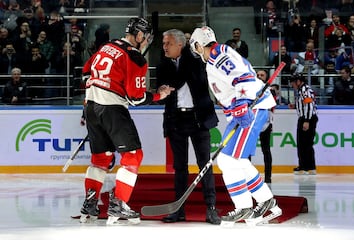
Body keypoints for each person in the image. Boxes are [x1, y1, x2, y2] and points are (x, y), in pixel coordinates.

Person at [79, 17, 174, 225]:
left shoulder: (107, 46)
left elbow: (87, 72)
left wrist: (88, 104)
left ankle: (90, 204)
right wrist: (159, 95)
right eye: (146, 37)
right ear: (139, 35)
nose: (147, 42)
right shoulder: (135, 57)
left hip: (92, 106)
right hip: (112, 108)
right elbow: (136, 98)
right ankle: (118, 204)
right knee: (133, 156)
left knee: (100, 158)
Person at [190, 26, 282, 226]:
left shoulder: (217, 56)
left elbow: (243, 76)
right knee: (234, 160)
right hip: (245, 107)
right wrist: (236, 108)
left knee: (228, 159)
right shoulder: (218, 54)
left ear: (198, 45)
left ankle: (244, 207)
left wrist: (241, 104)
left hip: (250, 106)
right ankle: (267, 201)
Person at [156, 29, 220, 225]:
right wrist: (160, 91)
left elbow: (184, 80)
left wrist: (169, 85)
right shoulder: (162, 65)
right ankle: (178, 209)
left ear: (180, 45)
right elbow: (161, 95)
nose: (164, 47)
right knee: (179, 167)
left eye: (168, 43)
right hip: (176, 120)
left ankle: (211, 208)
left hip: (198, 119)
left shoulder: (196, 60)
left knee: (205, 165)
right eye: (164, 43)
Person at [288, 73, 318, 175]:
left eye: (293, 82)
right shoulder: (302, 90)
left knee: (304, 144)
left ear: (298, 81)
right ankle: (309, 167)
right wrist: (295, 106)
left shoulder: (305, 90)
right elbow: (305, 105)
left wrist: (307, 121)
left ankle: (305, 167)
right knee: (304, 143)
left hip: (307, 118)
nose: (292, 85)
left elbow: (309, 105)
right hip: (306, 117)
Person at [256, 70, 275, 184]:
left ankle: (268, 177)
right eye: (258, 75)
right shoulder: (251, 89)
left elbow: (272, 107)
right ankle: (248, 177)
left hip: (265, 122)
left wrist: (271, 123)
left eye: (262, 75)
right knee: (248, 150)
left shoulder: (270, 91)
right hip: (252, 122)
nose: (259, 77)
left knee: (266, 150)